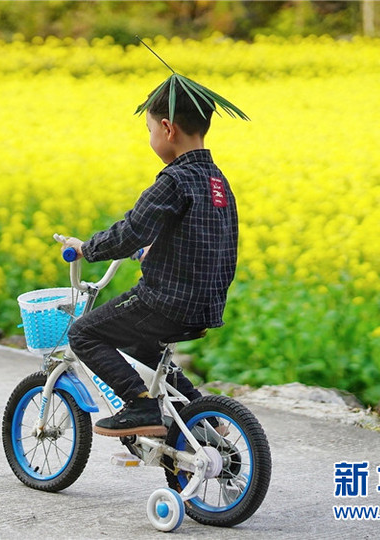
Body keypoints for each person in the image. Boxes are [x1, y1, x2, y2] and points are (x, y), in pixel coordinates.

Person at [61, 77, 239, 437]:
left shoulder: (174, 180)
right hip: (205, 304)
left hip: (166, 302)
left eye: (149, 129)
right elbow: (207, 236)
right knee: (145, 347)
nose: (150, 137)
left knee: (83, 333)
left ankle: (140, 406)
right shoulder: (217, 181)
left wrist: (86, 248)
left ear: (167, 128)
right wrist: (155, 250)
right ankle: (201, 415)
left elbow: (131, 232)